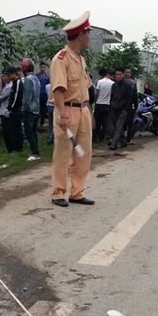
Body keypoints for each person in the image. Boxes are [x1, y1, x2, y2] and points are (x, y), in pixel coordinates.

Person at [49, 11, 95, 207]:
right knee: (63, 154)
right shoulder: (61, 58)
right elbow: (59, 89)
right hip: (66, 111)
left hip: (82, 110)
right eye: (88, 34)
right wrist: (63, 114)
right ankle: (58, 193)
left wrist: (89, 113)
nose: (89, 38)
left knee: (83, 153)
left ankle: (78, 192)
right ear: (81, 35)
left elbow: (86, 88)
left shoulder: (80, 59)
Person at [108, 68, 134, 150]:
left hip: (123, 110)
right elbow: (112, 97)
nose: (118, 76)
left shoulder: (127, 85)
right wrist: (111, 106)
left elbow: (130, 98)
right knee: (117, 126)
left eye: (120, 74)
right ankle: (123, 142)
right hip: (114, 109)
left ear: (123, 74)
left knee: (118, 127)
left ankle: (114, 144)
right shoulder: (114, 85)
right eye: (117, 75)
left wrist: (126, 109)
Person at [21, 58, 41, 161]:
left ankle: (35, 153)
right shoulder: (36, 79)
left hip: (30, 109)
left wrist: (23, 109)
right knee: (33, 131)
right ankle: (36, 151)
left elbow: (27, 97)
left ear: (24, 69)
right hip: (37, 109)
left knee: (29, 132)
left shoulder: (28, 80)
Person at [0, 68, 15, 153]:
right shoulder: (9, 85)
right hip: (7, 111)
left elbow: (0, 98)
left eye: (4, 76)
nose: (3, 78)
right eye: (2, 77)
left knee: (7, 133)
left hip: (5, 112)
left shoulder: (8, 87)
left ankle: (10, 149)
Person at [6, 66, 24, 153]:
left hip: (16, 110)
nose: (8, 76)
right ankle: (16, 147)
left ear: (14, 74)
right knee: (14, 129)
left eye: (9, 75)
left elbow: (17, 97)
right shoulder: (14, 82)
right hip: (14, 109)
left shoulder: (18, 82)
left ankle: (18, 148)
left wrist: (11, 108)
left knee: (17, 129)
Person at [93, 68, 113, 143]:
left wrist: (95, 101)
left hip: (99, 104)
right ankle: (102, 137)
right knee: (105, 122)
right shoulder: (112, 83)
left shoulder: (99, 82)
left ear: (101, 75)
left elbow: (97, 93)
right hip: (107, 104)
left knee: (97, 121)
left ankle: (95, 136)